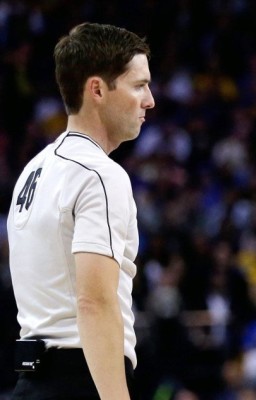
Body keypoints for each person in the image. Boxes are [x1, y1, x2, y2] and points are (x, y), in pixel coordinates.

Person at [7, 22, 154, 399]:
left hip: (30, 382)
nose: (149, 100)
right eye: (139, 85)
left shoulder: (33, 172)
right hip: (83, 378)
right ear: (97, 90)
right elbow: (94, 302)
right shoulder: (100, 174)